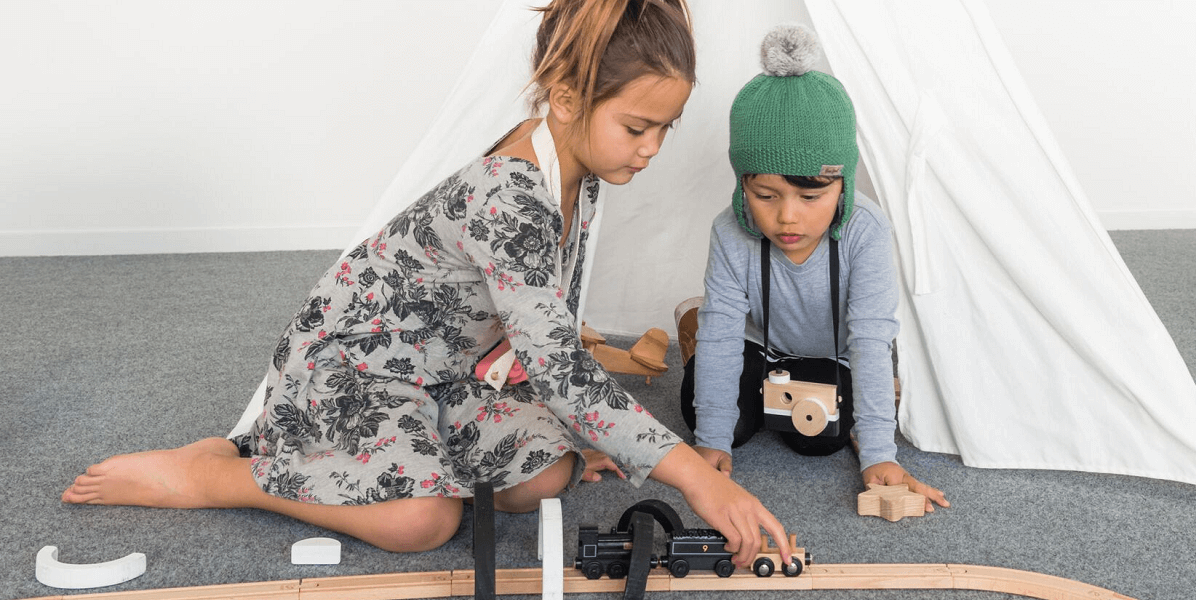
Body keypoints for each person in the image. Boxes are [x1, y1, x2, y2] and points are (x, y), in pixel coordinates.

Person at [62, 0, 791, 568]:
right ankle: (212, 475)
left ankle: (415, 456)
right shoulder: (510, 191)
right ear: (566, 98)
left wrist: (589, 427)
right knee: (423, 521)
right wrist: (696, 476)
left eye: (667, 128)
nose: (655, 149)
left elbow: (543, 333)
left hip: (442, 376)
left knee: (551, 471)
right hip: (353, 367)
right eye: (639, 127)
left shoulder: (581, 174)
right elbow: (561, 366)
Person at [680, 25, 949, 512]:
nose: (787, 216)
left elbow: (870, 338)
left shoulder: (867, 232)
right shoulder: (729, 231)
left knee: (818, 438)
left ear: (842, 185)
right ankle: (699, 347)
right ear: (743, 186)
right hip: (759, 346)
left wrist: (878, 453)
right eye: (765, 196)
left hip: (831, 356)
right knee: (712, 418)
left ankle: (812, 406)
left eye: (811, 197)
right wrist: (712, 439)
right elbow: (720, 333)